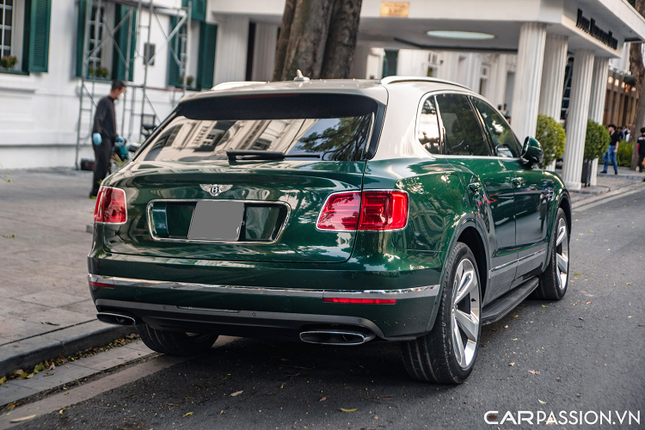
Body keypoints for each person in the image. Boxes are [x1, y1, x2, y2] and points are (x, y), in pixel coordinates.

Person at [90, 80, 126, 198]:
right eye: (122, 92)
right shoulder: (104, 102)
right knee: (101, 165)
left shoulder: (111, 103)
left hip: (108, 138)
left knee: (106, 165)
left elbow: (109, 124)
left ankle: (101, 190)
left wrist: (116, 137)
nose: (122, 95)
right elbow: (98, 118)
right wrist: (96, 132)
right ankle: (95, 191)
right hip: (102, 138)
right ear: (116, 90)